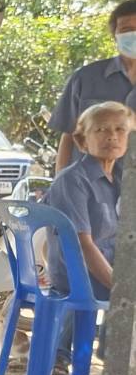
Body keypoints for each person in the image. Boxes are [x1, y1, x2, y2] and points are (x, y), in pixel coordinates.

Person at [45, 101, 132, 303]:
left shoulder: (120, 177)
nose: (112, 136)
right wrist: (122, 289)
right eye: (101, 129)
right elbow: (82, 246)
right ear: (82, 141)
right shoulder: (72, 180)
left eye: (120, 129)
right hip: (82, 278)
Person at [51, 0, 136, 173]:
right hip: (88, 192)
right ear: (115, 36)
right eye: (127, 30)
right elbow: (68, 136)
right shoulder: (85, 79)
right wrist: (60, 186)